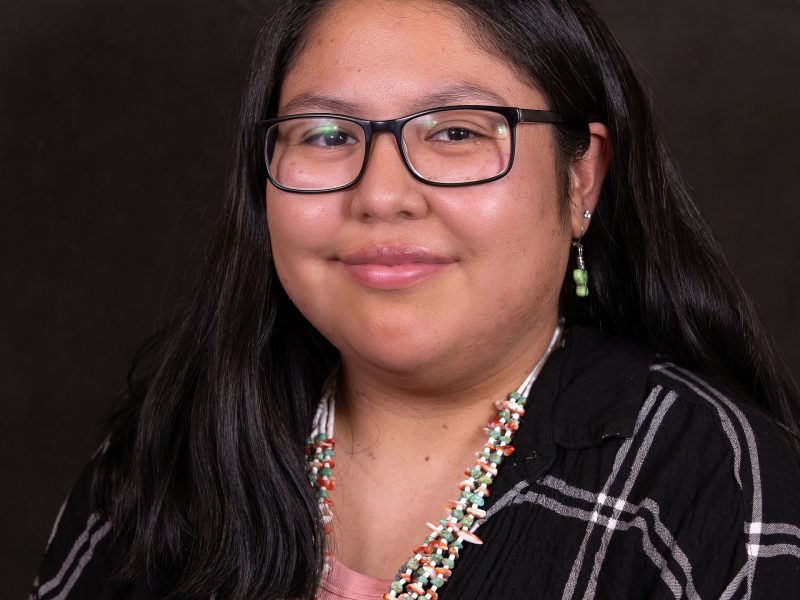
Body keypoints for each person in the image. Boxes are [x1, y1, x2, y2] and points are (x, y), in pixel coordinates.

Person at [31, 0, 800, 598]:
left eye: (458, 133)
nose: (382, 194)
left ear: (580, 180)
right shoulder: (167, 447)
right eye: (328, 135)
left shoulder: (709, 480)